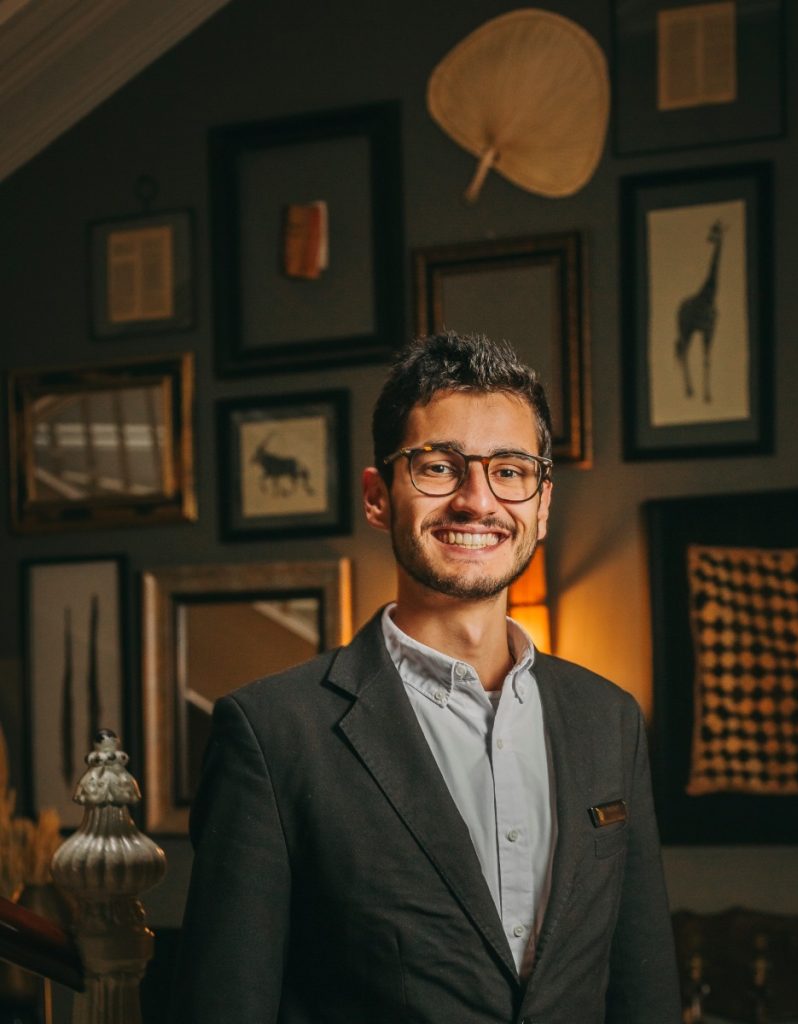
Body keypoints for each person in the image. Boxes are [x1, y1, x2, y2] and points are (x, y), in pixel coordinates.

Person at [174, 333, 682, 1023]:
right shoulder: (272, 734)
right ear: (377, 497)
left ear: (542, 504)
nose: (477, 501)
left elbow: (645, 998)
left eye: (510, 471)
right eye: (439, 467)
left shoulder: (609, 719)